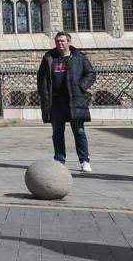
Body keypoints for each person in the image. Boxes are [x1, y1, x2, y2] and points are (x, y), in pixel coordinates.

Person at [36, 31, 96, 172]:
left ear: (68, 42)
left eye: (62, 41)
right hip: (55, 102)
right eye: (57, 41)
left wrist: (81, 87)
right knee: (57, 132)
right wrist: (42, 92)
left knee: (79, 131)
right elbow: (41, 77)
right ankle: (59, 159)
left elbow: (90, 73)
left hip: (73, 100)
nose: (60, 43)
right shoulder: (49, 58)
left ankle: (84, 160)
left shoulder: (79, 57)